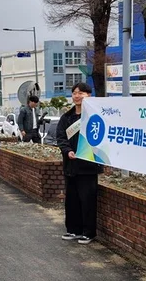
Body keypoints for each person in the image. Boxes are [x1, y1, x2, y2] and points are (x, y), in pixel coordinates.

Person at [56, 82, 102, 245]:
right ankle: (73, 230)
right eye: (75, 92)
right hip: (71, 166)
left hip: (88, 167)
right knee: (72, 200)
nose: (77, 95)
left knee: (87, 200)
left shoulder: (95, 117)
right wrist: (67, 151)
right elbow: (61, 138)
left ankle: (88, 232)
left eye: (81, 93)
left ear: (89, 96)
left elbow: (100, 139)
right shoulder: (66, 117)